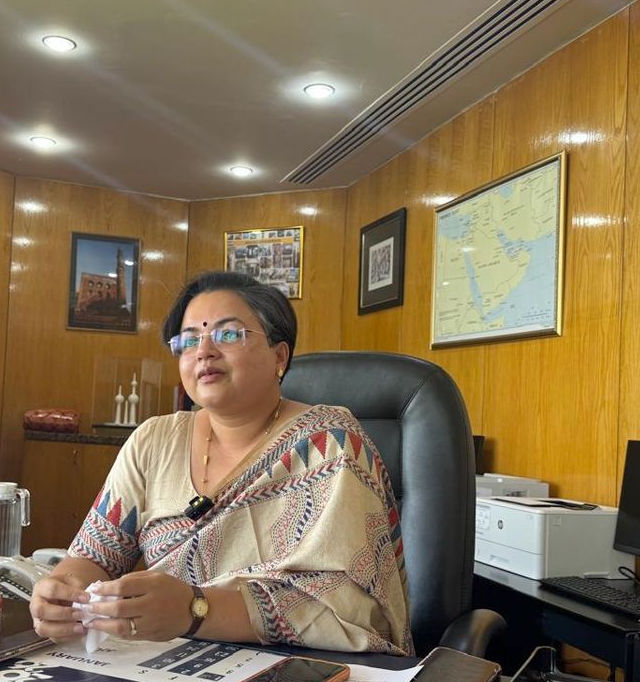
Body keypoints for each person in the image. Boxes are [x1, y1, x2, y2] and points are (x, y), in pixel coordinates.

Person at [30, 271, 413, 655]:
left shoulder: (329, 444)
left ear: (279, 356)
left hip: (302, 666)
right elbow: (93, 558)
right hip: (166, 663)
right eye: (189, 340)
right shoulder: (153, 441)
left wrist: (194, 609)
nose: (204, 351)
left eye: (228, 334)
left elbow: (352, 607)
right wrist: (63, 592)